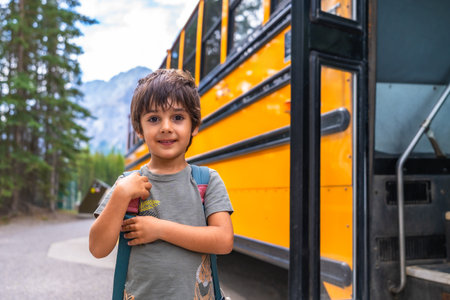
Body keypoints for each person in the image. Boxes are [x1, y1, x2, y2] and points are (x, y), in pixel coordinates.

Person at [89, 69, 234, 299]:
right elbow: (98, 248)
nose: (166, 127)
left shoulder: (206, 181)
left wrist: (159, 229)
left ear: (194, 125)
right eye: (154, 119)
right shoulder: (127, 185)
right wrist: (120, 195)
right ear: (139, 129)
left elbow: (223, 240)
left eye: (177, 117)